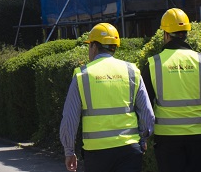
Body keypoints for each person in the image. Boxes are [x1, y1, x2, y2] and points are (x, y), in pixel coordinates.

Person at [59, 22, 155, 172]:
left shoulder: (82, 75)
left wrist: (69, 151)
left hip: (97, 153)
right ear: (114, 47)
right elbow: (147, 113)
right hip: (129, 149)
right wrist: (143, 139)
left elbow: (69, 119)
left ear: (94, 46)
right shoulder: (132, 71)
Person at [143, 8, 201, 172]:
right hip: (198, 140)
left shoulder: (154, 64)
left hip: (167, 140)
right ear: (186, 33)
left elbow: (143, 106)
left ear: (166, 34)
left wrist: (142, 136)